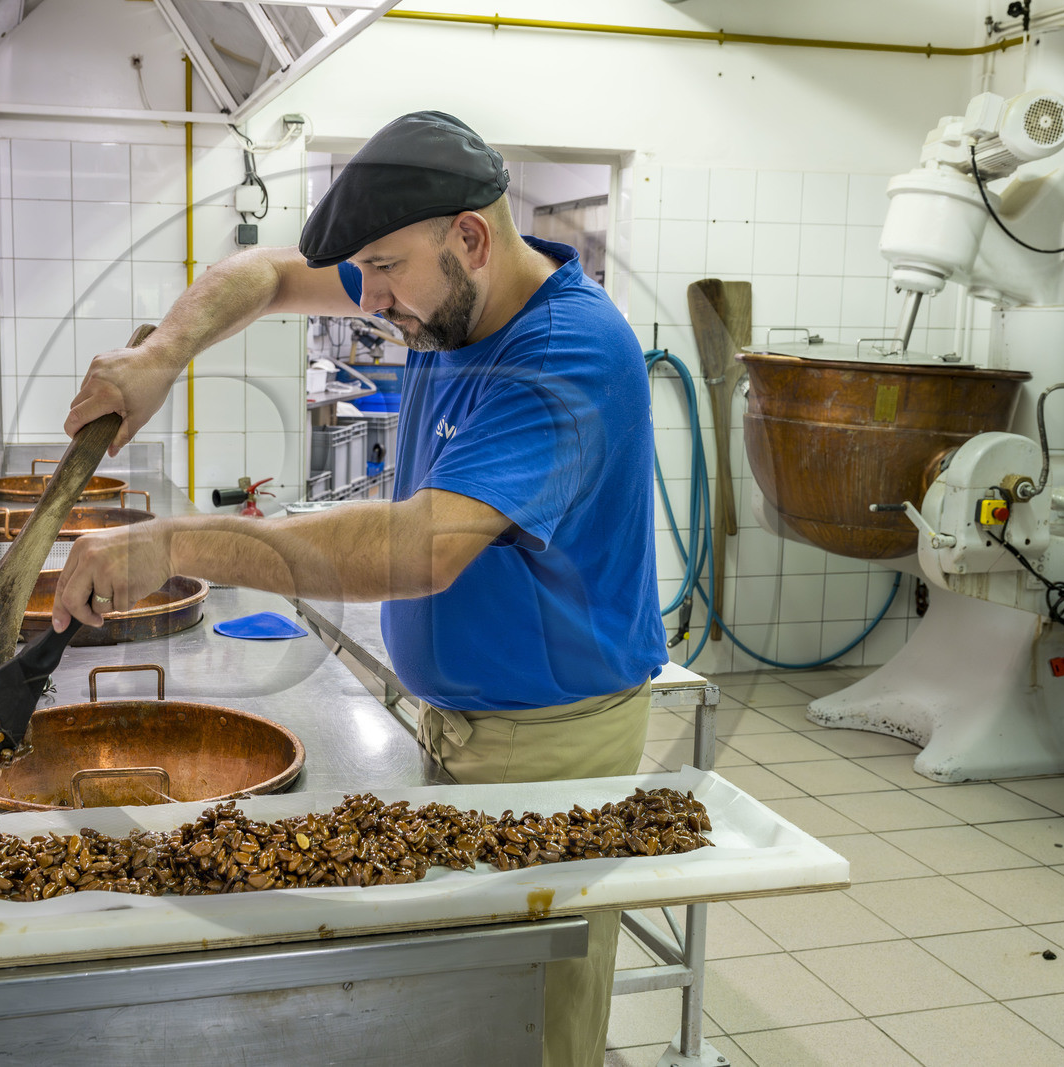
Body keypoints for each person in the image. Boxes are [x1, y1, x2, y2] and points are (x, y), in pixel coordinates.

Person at [55, 111, 666, 1067]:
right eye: (366, 273)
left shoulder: (566, 357)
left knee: (535, 1023)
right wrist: (162, 351)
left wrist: (175, 544)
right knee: (468, 1013)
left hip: (553, 748)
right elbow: (261, 273)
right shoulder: (440, 284)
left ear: (468, 236)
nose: (370, 298)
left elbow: (422, 548)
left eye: (385, 270)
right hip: (460, 723)